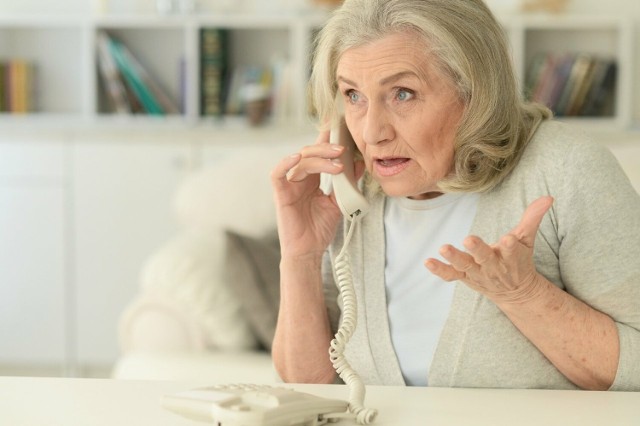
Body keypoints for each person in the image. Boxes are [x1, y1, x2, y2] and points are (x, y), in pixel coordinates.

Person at [270, 0, 640, 391]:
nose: (372, 132)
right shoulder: (352, 195)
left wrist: (523, 295)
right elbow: (306, 384)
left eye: (403, 94)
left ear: (475, 93)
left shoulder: (564, 168)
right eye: (353, 95)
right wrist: (300, 255)